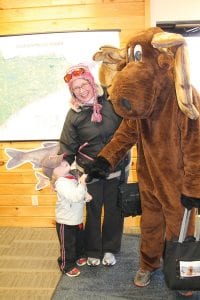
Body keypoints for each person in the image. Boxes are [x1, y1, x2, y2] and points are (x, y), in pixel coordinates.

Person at [58, 63, 130, 267]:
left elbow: (129, 129)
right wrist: (60, 169)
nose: (81, 91)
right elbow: (67, 146)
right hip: (89, 174)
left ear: (91, 81)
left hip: (117, 170)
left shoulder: (111, 101)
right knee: (93, 211)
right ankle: (92, 250)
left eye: (83, 85)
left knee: (115, 212)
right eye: (76, 88)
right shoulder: (74, 114)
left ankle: (109, 249)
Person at [50, 159, 92, 277]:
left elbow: (79, 191)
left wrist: (85, 195)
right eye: (58, 165)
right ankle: (66, 265)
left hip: (77, 218)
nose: (63, 163)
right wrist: (83, 183)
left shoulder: (72, 177)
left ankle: (79, 255)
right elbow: (74, 196)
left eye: (64, 162)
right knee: (67, 246)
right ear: (53, 172)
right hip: (66, 221)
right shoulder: (61, 183)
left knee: (79, 241)